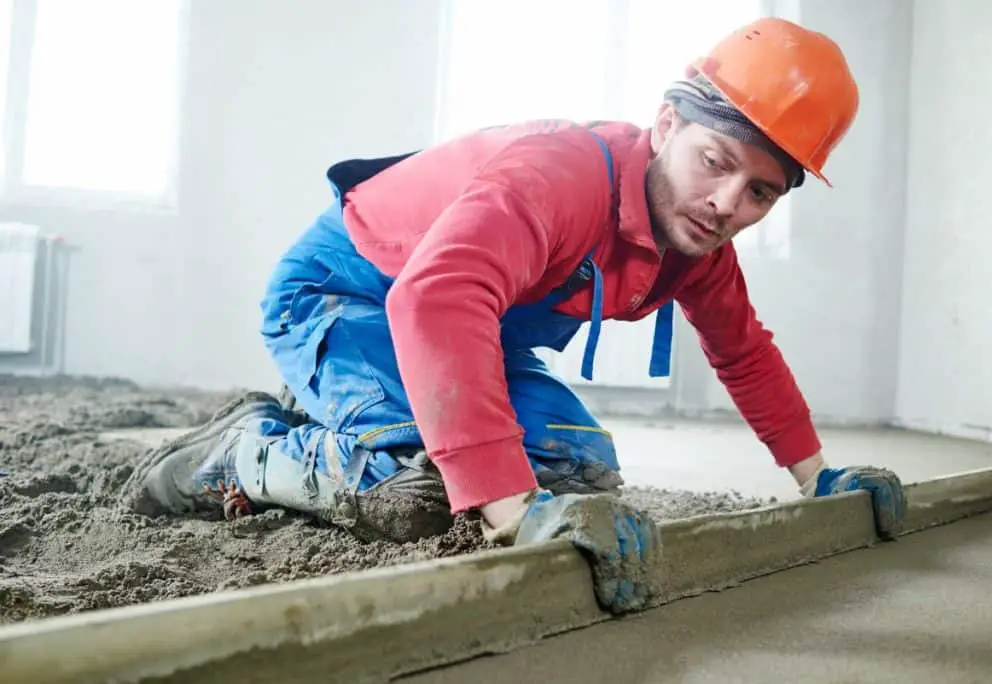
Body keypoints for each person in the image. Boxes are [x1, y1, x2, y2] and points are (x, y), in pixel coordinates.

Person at [125, 17, 906, 615]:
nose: (727, 205)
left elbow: (743, 352)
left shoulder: (698, 243)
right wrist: (511, 512)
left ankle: (355, 418)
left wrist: (820, 478)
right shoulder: (562, 175)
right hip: (350, 295)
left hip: (462, 330)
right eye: (716, 162)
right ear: (667, 126)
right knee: (425, 491)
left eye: (761, 193)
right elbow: (436, 296)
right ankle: (242, 452)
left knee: (579, 473)